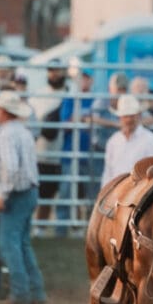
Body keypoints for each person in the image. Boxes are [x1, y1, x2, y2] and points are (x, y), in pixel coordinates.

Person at [0, 91, 46, 304]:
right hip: (30, 190)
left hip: (16, 193)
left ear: (3, 112)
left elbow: (11, 168)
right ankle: (36, 290)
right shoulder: (23, 132)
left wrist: (2, 194)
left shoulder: (6, 135)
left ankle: (21, 292)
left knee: (9, 243)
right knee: (22, 243)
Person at [27, 60, 66, 231]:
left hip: (62, 152)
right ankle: (37, 228)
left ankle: (45, 228)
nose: (54, 74)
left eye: (57, 70)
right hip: (40, 152)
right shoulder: (38, 96)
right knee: (38, 192)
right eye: (51, 70)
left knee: (55, 193)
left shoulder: (71, 94)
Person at [55, 68, 95, 235]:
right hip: (71, 153)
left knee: (89, 194)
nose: (83, 81)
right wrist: (82, 119)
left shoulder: (95, 100)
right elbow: (65, 124)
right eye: (80, 78)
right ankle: (61, 231)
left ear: (90, 81)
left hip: (90, 154)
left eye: (86, 78)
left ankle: (88, 231)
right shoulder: (69, 100)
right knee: (66, 192)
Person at [101, 95, 153, 185]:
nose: (128, 120)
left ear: (139, 116)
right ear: (120, 117)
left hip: (141, 193)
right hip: (117, 192)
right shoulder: (113, 141)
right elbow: (108, 173)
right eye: (125, 116)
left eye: (131, 116)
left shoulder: (151, 141)